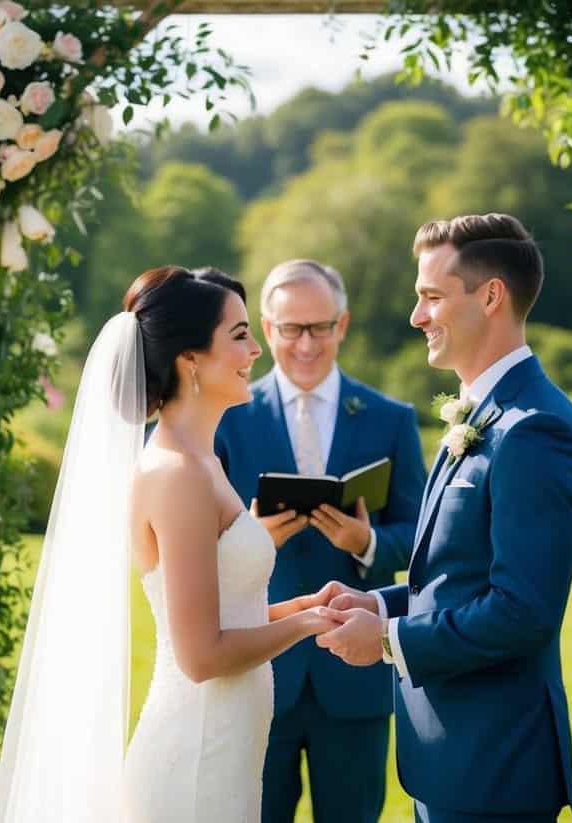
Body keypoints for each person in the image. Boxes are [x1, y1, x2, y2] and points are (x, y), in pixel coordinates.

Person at [0, 266, 339, 823]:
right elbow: (201, 656)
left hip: (226, 750)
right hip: (195, 756)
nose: (256, 351)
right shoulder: (176, 474)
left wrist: (304, 606)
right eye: (241, 335)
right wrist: (306, 627)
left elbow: (225, 613)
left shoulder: (204, 462)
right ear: (191, 359)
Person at [315, 214, 572, 823]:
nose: (417, 316)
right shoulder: (483, 413)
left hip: (495, 766)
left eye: (432, 297)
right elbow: (456, 576)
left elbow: (522, 611)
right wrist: (380, 605)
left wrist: (387, 642)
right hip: (452, 763)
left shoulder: (536, 430)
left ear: (491, 295)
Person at [214, 259, 426, 823]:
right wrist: (249, 539)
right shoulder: (225, 420)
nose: (305, 344)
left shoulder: (391, 419)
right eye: (290, 329)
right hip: (257, 668)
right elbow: (185, 546)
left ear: (343, 325)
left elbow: (424, 537)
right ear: (265, 327)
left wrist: (367, 542)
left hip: (354, 675)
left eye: (319, 327)